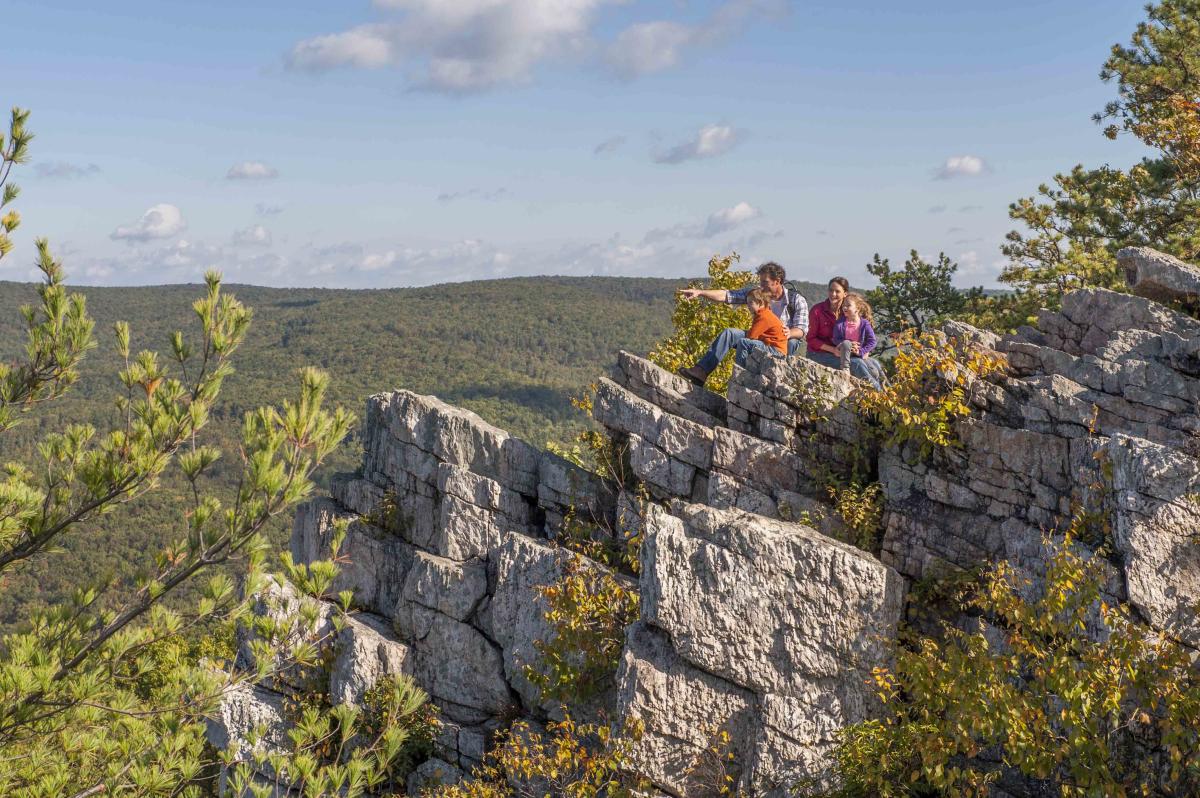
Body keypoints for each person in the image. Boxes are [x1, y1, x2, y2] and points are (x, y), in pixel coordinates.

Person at [676, 262, 809, 385]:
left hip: (782, 340)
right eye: (760, 282)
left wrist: (789, 332)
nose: (761, 286)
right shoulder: (757, 294)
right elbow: (727, 295)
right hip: (760, 336)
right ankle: (701, 371)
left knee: (791, 342)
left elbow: (802, 330)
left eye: (765, 282)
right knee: (730, 333)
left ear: (777, 281)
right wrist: (700, 293)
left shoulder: (796, 299)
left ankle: (774, 376)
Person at [806, 276, 880, 385]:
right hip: (819, 354)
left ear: (845, 294)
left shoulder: (850, 310)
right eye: (831, 290)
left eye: (837, 291)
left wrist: (864, 351)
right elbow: (811, 339)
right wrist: (833, 350)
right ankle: (878, 394)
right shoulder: (817, 311)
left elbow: (865, 333)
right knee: (857, 364)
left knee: (875, 365)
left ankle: (889, 395)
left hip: (846, 353)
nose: (833, 294)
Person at [831, 292, 884, 389]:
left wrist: (861, 351)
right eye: (844, 305)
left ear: (857, 309)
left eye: (848, 305)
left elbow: (872, 341)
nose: (845, 308)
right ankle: (845, 368)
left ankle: (886, 388)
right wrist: (847, 343)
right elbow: (835, 338)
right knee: (847, 343)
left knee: (875, 368)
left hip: (859, 354)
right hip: (844, 353)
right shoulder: (840, 322)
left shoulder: (864, 323)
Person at [738, 288, 788, 365]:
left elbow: (751, 336)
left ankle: (740, 368)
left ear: (760, 303)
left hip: (776, 351)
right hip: (774, 348)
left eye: (751, 303)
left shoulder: (763, 316)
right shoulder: (764, 313)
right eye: (747, 303)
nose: (748, 306)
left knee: (743, 342)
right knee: (748, 343)